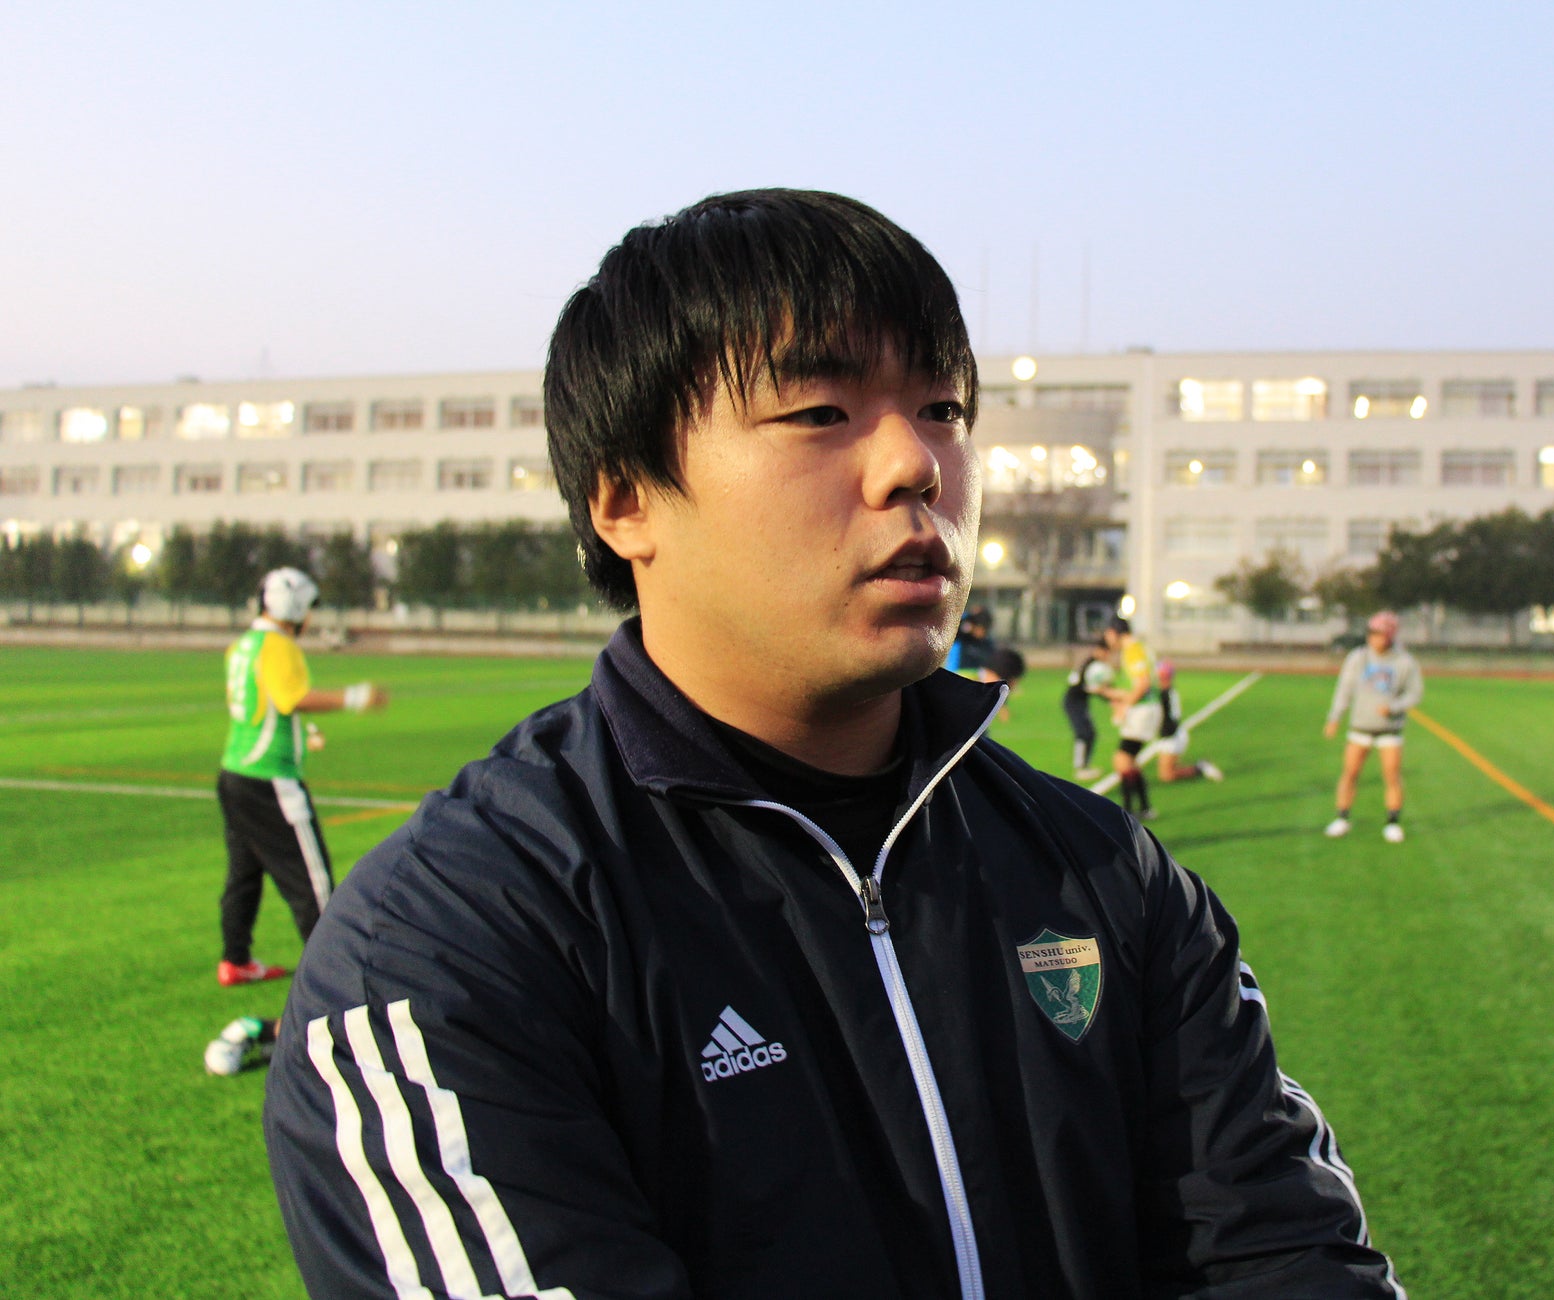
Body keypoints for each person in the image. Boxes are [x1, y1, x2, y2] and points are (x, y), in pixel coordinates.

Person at [263, 190, 1401, 1299]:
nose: (916, 463)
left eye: (945, 408)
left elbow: (1284, 1254)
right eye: (820, 412)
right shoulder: (447, 947)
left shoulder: (1106, 875)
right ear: (626, 501)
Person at [215, 567, 386, 986]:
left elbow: (261, 704)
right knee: (313, 882)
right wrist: (355, 697)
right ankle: (339, 977)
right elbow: (292, 698)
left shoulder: (243, 645)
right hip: (271, 778)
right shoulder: (279, 645)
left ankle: (235, 960)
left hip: (234, 772)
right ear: (294, 608)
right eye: (309, 608)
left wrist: (302, 732)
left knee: (243, 873)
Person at [1323, 610, 1423, 843]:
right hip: (1360, 727)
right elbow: (1345, 688)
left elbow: (1414, 693)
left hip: (1390, 729)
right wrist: (1334, 717)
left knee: (1392, 775)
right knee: (1350, 773)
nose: (1374, 638)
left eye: (1379, 634)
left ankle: (1392, 822)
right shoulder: (1358, 658)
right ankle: (1342, 818)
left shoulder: (1404, 662)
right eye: (1372, 633)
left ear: (1390, 636)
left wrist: (1394, 707)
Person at [1099, 615, 1164, 821]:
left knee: (1122, 760)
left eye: (1108, 634)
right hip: (1144, 709)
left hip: (1143, 711)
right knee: (1129, 761)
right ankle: (1144, 809)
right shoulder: (1136, 648)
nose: (1107, 639)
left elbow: (1143, 684)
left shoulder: (1132, 650)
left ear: (1114, 633)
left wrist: (1125, 706)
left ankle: (1127, 813)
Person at [1154, 659, 1225, 783]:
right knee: (1167, 771)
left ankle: (1201, 767)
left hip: (1172, 736)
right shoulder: (1167, 692)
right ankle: (1195, 766)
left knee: (1167, 776)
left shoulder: (1164, 694)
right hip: (1170, 734)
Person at [1061, 642, 1113, 779]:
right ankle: (1081, 768)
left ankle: (1084, 766)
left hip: (1079, 702)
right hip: (1074, 702)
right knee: (1084, 732)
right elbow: (1091, 686)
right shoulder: (1093, 666)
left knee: (1089, 733)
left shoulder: (1090, 664)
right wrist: (1110, 697)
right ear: (1100, 650)